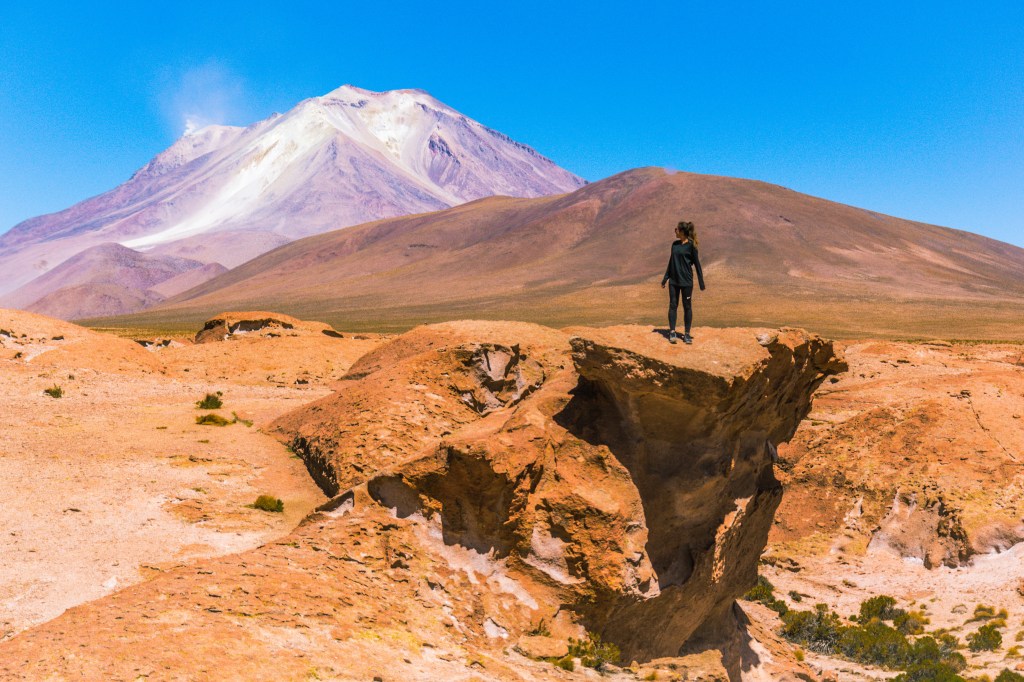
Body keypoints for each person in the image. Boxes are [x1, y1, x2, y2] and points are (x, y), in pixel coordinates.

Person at [660, 220, 705, 344]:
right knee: (673, 305)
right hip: (674, 281)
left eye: (677, 229)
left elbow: (697, 264)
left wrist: (701, 282)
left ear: (682, 232)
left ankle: (686, 334)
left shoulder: (691, 246)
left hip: (686, 282)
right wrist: (665, 278)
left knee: (687, 307)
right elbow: (671, 262)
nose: (675, 231)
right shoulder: (674, 245)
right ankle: (672, 332)